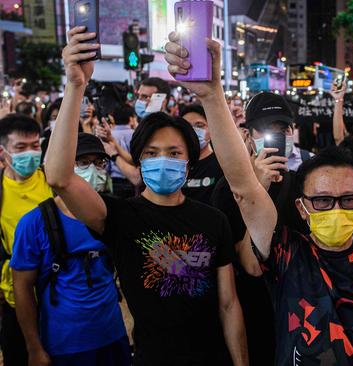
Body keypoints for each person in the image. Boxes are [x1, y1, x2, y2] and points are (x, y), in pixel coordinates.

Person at [164, 31, 353, 365]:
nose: (336, 207)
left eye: (348, 199)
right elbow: (245, 191)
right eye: (322, 200)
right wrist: (212, 96)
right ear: (302, 208)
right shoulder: (289, 254)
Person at [44, 27, 247, 365]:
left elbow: (228, 304)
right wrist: (75, 86)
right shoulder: (120, 217)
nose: (162, 160)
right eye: (151, 154)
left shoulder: (214, 220)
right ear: (138, 160)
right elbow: (59, 177)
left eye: (173, 152)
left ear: (189, 161)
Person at [11, 133, 129, 366]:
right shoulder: (35, 223)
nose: (92, 169)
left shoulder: (112, 214)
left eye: (99, 162)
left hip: (113, 335)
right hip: (64, 344)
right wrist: (33, 347)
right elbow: (22, 287)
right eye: (82, 162)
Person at [0, 114, 53, 366]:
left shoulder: (53, 181)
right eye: (20, 148)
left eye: (35, 146)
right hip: (13, 300)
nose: (30, 153)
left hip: (57, 295)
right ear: (3, 151)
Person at [246, 92, 312, 171]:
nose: (277, 138)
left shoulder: (311, 163)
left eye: (283, 131)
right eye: (266, 131)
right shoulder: (240, 171)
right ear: (249, 136)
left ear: (293, 131)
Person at [179, 104, 224, 204]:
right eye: (187, 126)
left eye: (199, 125)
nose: (193, 131)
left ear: (212, 129)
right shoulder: (173, 164)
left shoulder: (222, 164)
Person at [106, 103, 137, 198]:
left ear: (114, 118)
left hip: (113, 180)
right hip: (131, 179)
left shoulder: (108, 135)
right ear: (131, 118)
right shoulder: (135, 134)